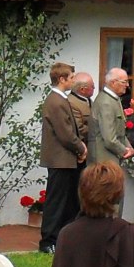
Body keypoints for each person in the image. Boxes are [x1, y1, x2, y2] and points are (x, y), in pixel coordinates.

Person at [40, 62, 89, 253]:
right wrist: (80, 148)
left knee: (67, 200)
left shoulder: (61, 99)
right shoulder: (55, 101)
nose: (73, 80)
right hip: (60, 159)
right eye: (71, 77)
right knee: (57, 200)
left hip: (65, 159)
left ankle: (61, 237)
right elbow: (65, 133)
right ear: (61, 79)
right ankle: (48, 240)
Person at [91, 67, 134, 170]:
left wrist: (129, 147)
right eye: (124, 82)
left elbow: (120, 131)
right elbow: (109, 139)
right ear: (113, 82)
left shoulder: (114, 99)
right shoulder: (106, 102)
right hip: (105, 161)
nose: (127, 85)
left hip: (110, 159)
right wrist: (125, 150)